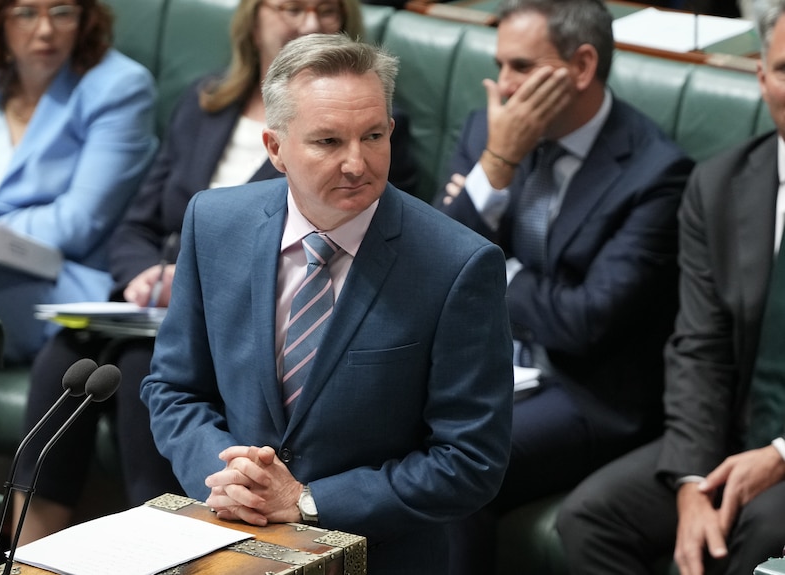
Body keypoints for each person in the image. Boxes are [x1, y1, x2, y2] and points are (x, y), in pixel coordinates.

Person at [12, 0, 419, 546]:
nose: (310, 23)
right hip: (154, 300)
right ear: (252, 19)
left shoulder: (363, 136)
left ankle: (167, 543)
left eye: (326, 9)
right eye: (292, 8)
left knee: (138, 370)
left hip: (248, 307)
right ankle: (22, 551)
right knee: (65, 360)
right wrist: (145, 275)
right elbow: (138, 224)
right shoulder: (204, 102)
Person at [140, 33, 514, 575]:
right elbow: (174, 388)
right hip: (230, 544)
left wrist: (307, 501)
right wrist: (226, 478)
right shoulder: (214, 223)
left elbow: (469, 461)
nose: (357, 163)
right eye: (328, 142)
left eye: (374, 135)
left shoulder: (458, 265)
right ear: (275, 148)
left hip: (375, 559)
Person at [432, 0, 694, 569]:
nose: (502, 86)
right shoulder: (490, 129)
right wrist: (498, 162)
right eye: (499, 64)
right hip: (483, 365)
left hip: (582, 392)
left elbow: (585, 321)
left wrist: (487, 267)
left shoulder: (656, 173)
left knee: (456, 462)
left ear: (580, 66)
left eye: (521, 67)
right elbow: (429, 269)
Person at [557, 2, 785, 573]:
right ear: (762, 77)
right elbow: (699, 345)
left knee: (763, 528)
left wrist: (781, 455)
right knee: (589, 518)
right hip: (733, 434)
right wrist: (689, 480)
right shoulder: (722, 184)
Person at [0, 0, 156, 364]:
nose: (45, 30)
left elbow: (78, 223)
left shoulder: (119, 86)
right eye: (26, 13)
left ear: (85, 18)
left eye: (62, 12)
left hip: (52, 280)